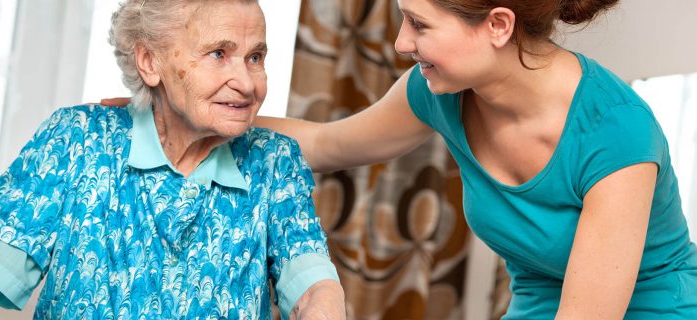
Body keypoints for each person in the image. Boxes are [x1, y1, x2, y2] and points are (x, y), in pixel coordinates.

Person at [102, 0, 697, 318]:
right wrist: (192, 111)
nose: (401, 43)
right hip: (540, 303)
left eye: (418, 24)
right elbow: (329, 143)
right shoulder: (439, 92)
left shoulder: (616, 138)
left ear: (496, 26)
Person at [0, 0, 346, 319]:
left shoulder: (275, 162)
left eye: (255, 57)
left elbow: (309, 281)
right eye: (218, 54)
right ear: (150, 62)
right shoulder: (77, 140)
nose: (247, 83)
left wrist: (325, 307)